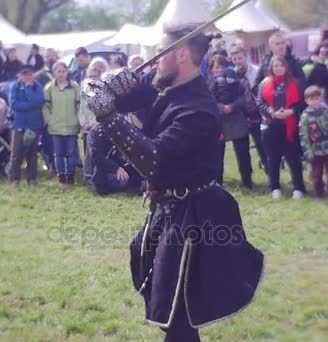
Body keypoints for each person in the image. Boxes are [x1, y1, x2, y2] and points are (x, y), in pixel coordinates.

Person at [83, 24, 263, 342]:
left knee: (179, 313)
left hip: (195, 217)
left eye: (161, 53)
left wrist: (109, 117)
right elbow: (141, 98)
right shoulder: (168, 88)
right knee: (170, 306)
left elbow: (152, 158)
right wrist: (116, 89)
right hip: (169, 209)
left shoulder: (198, 109)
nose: (154, 61)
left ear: (181, 54)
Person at [256, 55, 306, 199]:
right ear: (271, 68)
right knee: (273, 158)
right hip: (271, 126)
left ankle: (298, 187)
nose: (278, 68)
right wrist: (272, 113)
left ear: (286, 67)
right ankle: (274, 187)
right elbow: (260, 102)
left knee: (293, 157)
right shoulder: (264, 83)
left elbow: (302, 102)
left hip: (290, 126)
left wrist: (292, 111)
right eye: (275, 66)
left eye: (281, 65)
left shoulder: (295, 83)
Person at [208, 55, 253, 188]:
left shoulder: (236, 80)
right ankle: (217, 182)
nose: (220, 70)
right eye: (217, 67)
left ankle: (247, 180)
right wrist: (222, 108)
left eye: (222, 66)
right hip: (218, 121)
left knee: (243, 152)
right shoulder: (208, 83)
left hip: (237, 118)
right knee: (217, 154)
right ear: (211, 69)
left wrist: (232, 106)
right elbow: (209, 100)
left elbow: (242, 97)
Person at [299, 85, 328, 200]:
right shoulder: (305, 116)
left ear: (320, 99)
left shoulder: (327, 112)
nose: (314, 101)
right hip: (315, 149)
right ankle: (318, 192)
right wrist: (308, 152)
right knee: (316, 174)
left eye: (317, 98)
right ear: (307, 101)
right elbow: (304, 135)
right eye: (311, 99)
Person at [229, 45, 266, 172]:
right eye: (234, 59)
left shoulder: (257, 71)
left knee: (263, 147)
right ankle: (247, 180)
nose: (238, 62)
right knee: (242, 150)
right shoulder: (231, 76)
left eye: (240, 58)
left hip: (257, 114)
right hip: (241, 117)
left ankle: (271, 175)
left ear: (246, 57)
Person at [43, 62, 80, 185]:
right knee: (58, 153)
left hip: (72, 126)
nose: (61, 74)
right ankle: (61, 176)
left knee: (70, 153)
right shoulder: (49, 88)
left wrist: (77, 119)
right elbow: (45, 106)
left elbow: (79, 105)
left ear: (67, 72)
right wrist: (49, 120)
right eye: (58, 71)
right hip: (56, 127)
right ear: (54, 73)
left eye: (63, 71)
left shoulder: (74, 87)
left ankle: (70, 176)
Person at [8, 65, 44, 186]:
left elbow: (38, 101)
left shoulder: (37, 87)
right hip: (19, 124)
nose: (27, 77)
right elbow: (14, 104)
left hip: (34, 124)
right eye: (24, 75)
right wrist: (30, 106)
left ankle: (32, 178)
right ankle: (14, 179)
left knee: (32, 153)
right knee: (16, 153)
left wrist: (28, 89)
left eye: (29, 74)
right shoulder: (15, 87)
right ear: (20, 75)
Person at [85, 123, 143, 195]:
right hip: (99, 170)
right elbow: (96, 156)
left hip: (114, 165)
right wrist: (116, 168)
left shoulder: (115, 130)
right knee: (122, 180)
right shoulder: (94, 133)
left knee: (136, 176)